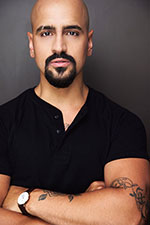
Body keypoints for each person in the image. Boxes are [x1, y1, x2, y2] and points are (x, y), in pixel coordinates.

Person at [0, 0, 149, 224]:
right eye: (46, 33)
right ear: (32, 44)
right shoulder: (3, 121)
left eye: (71, 32)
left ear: (88, 42)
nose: (59, 47)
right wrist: (87, 212)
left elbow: (129, 215)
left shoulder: (123, 124)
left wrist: (23, 199)